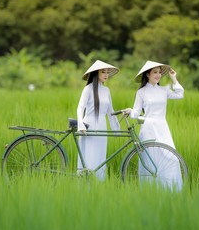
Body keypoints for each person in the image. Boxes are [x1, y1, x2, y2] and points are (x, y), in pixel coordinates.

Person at [123, 60, 184, 190]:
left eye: (160, 72)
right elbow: (136, 112)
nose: (158, 75)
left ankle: (170, 189)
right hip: (148, 128)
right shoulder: (141, 92)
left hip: (162, 128)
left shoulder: (164, 90)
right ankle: (150, 190)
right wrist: (130, 111)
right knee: (150, 159)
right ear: (147, 74)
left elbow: (180, 94)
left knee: (170, 157)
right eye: (155, 72)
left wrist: (174, 78)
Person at [77, 60, 120, 181]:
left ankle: (98, 185)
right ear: (96, 73)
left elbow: (110, 112)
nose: (106, 75)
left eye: (107, 72)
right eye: (103, 72)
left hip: (102, 126)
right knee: (89, 156)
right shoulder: (88, 89)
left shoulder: (106, 91)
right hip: (89, 127)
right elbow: (80, 107)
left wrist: (116, 129)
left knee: (100, 157)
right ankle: (86, 185)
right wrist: (81, 125)